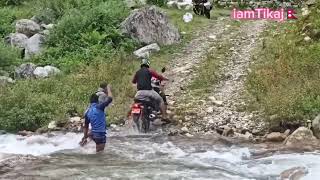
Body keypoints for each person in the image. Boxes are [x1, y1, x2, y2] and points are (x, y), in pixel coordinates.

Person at [79, 84, 113, 153]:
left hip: (93, 133)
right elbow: (110, 98)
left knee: (89, 134)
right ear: (97, 101)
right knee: (99, 154)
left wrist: (85, 136)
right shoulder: (100, 107)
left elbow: (86, 127)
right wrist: (109, 88)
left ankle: (81, 144)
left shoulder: (87, 111)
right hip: (100, 135)